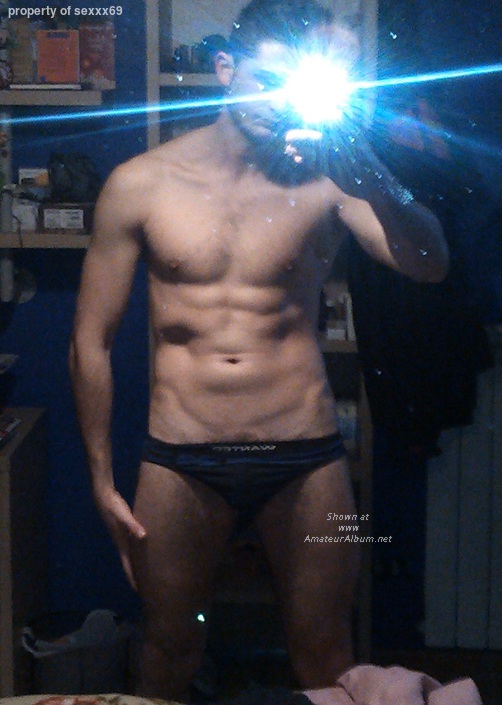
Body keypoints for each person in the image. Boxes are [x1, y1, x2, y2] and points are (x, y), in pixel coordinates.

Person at [69, 0, 449, 700]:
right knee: (168, 646)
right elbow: (90, 341)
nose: (277, 101)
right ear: (225, 69)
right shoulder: (142, 183)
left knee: (326, 652)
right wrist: (100, 480)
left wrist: (365, 165)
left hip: (306, 454)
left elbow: (430, 262)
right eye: (265, 80)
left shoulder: (332, 177)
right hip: (180, 455)